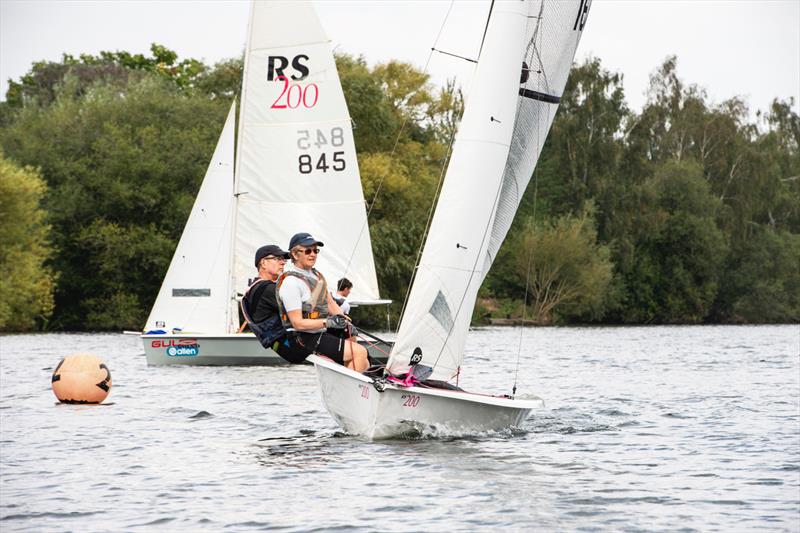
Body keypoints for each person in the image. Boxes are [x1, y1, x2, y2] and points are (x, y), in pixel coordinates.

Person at [277, 232, 369, 372]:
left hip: (317, 333)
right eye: (308, 251)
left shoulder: (317, 275)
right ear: (295, 255)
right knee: (359, 352)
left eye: (315, 250)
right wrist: (329, 322)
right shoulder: (291, 283)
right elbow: (297, 323)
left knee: (362, 354)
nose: (313, 254)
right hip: (302, 337)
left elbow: (331, 303)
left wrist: (345, 322)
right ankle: (351, 390)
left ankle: (357, 385)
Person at [240, 244, 305, 363]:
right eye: (277, 259)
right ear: (263, 263)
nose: (283, 263)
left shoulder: (256, 288)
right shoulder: (267, 289)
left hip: (283, 347)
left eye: (283, 259)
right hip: (294, 347)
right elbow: (303, 308)